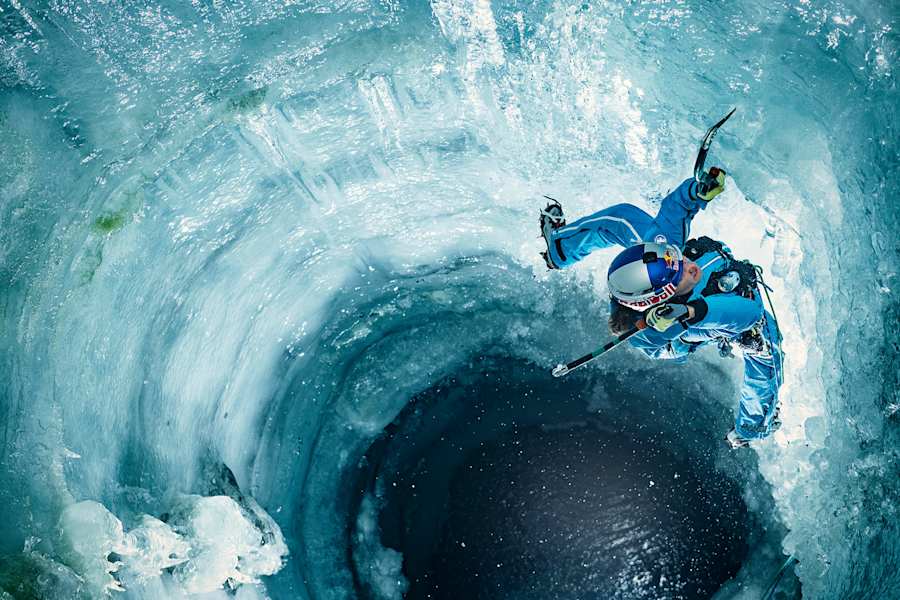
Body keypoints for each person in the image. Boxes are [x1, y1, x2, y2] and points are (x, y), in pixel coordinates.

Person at [540, 169, 783, 448]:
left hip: (664, 291)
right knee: (765, 350)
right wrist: (692, 313)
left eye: (674, 258)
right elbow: (747, 314)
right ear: (664, 297)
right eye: (676, 274)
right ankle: (752, 429)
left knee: (621, 219)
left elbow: (674, 210)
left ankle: (560, 249)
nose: (686, 265)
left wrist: (696, 191)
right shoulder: (667, 327)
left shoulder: (661, 255)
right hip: (688, 327)